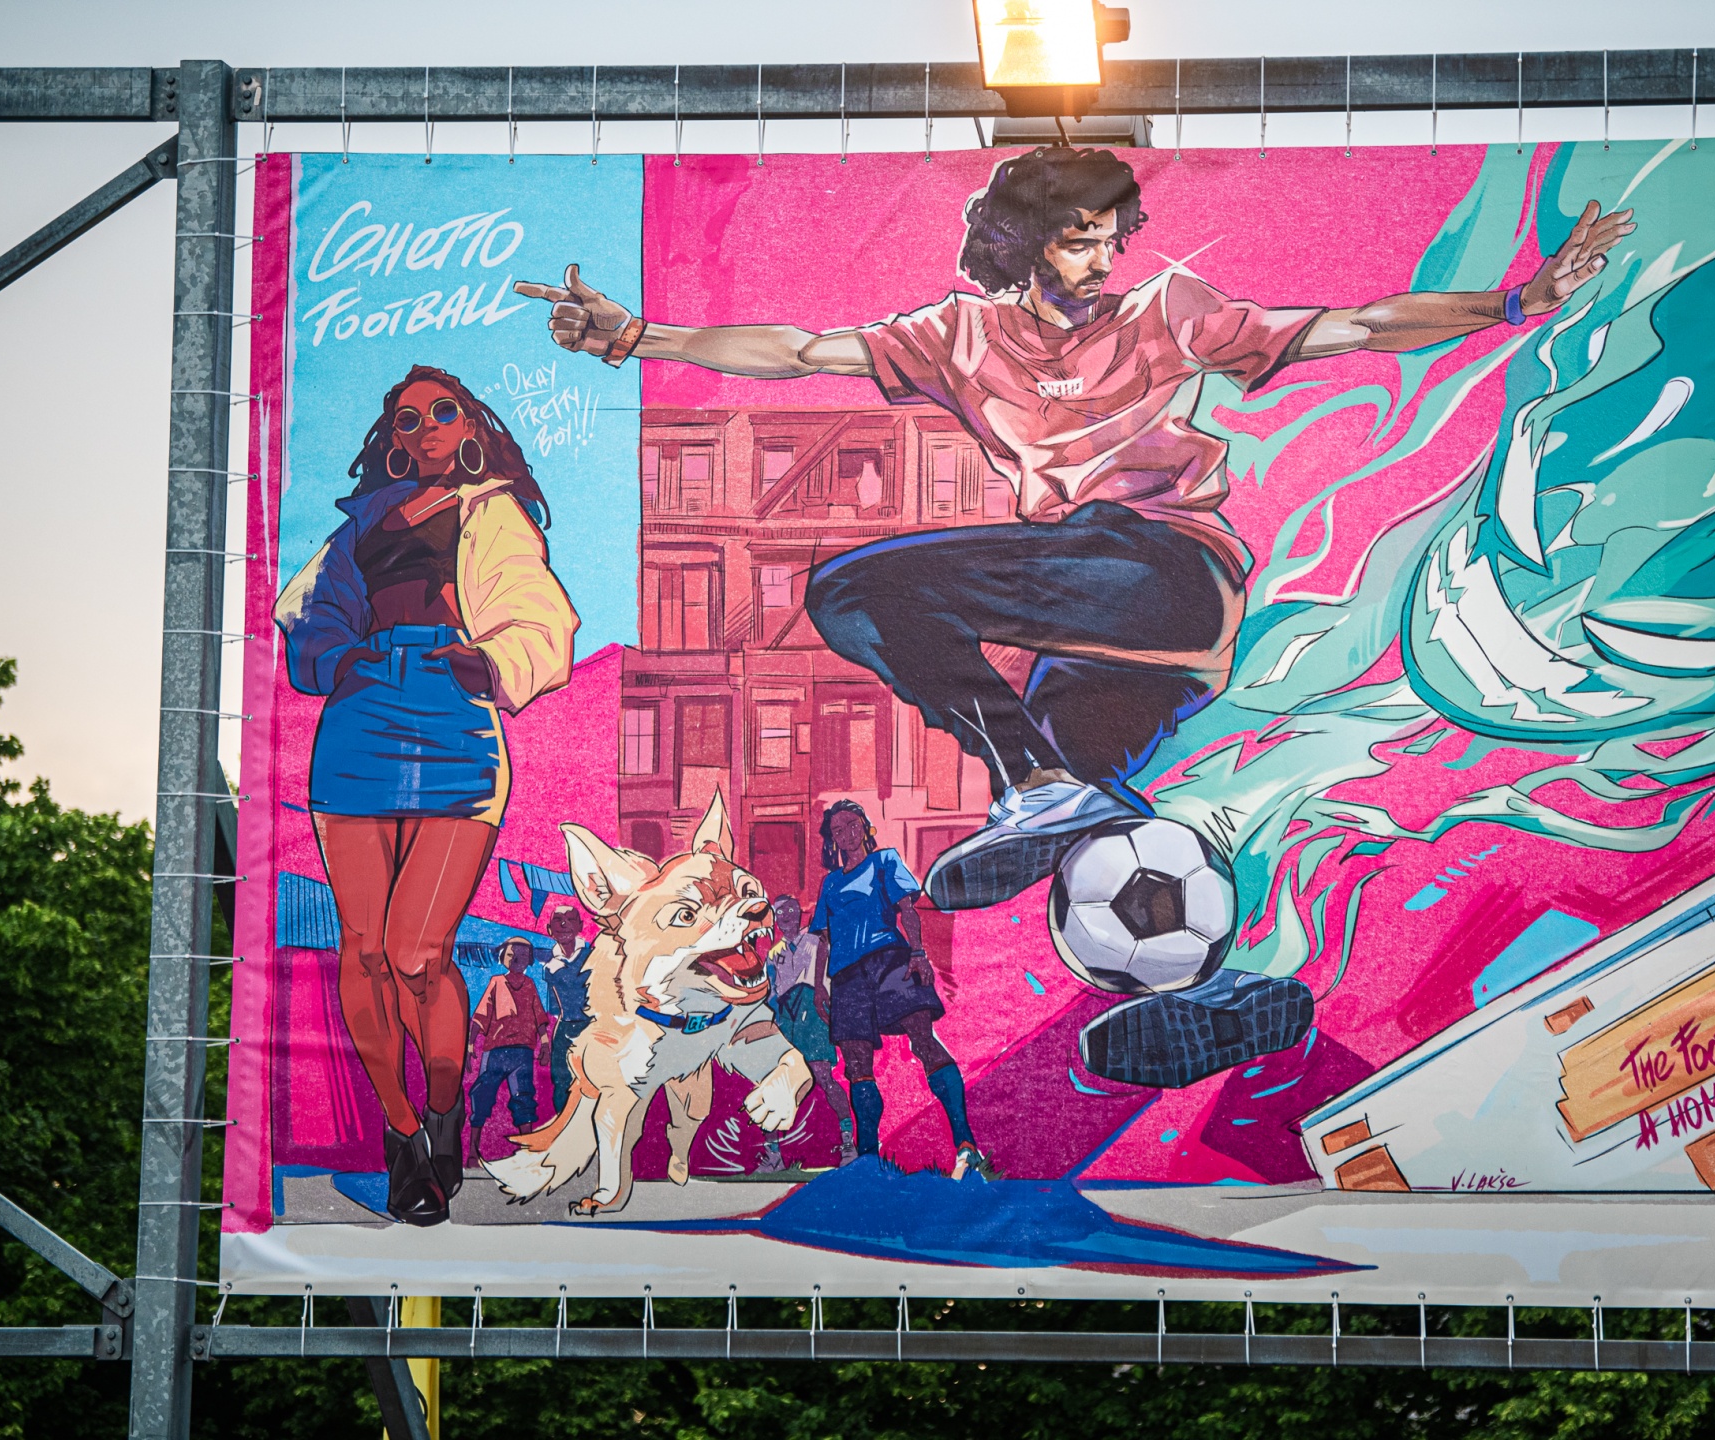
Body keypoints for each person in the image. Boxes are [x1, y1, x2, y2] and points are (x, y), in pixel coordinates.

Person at [514, 147, 1632, 1088]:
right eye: (1079, 242)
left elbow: (1352, 326)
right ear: (1022, 245)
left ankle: (1038, 784)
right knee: (1102, 846)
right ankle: (1220, 985)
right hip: (1118, 642)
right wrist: (640, 338)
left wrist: (1519, 302)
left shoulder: (1166, 313)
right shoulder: (960, 336)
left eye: (1110, 240)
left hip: (1162, 570)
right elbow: (802, 353)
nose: (1103, 263)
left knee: (857, 591)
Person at [276, 363, 579, 1224]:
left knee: (417, 953)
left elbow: (540, 613)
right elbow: (309, 610)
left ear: (470, 424)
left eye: (443, 412)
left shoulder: (493, 510)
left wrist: (492, 660)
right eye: (408, 420)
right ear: (395, 441)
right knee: (365, 951)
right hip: (361, 715)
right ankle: (404, 1135)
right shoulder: (363, 522)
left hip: (453, 716)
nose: (427, 427)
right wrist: (338, 654)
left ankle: (444, 1108)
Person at [809, 802, 993, 1179]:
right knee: (856, 1064)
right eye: (838, 830)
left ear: (865, 827)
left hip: (890, 961)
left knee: (923, 1040)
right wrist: (818, 986)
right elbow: (824, 940)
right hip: (846, 977)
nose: (846, 834)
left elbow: (908, 909)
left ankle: (966, 1144)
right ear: (832, 840)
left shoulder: (885, 861)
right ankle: (867, 1158)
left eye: (852, 825)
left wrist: (918, 953)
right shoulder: (830, 884)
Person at [762, 894, 856, 1166]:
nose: (786, 916)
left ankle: (848, 1142)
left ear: (800, 912)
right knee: (776, 1082)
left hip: (812, 1013)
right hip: (785, 1016)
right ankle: (773, 1154)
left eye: (791, 910)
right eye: (780, 912)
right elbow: (771, 992)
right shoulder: (773, 954)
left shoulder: (816, 942)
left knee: (823, 1076)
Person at [468, 938, 553, 1162]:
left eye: (523, 956)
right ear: (502, 957)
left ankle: (527, 1153)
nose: (516, 959)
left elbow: (539, 1017)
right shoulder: (496, 982)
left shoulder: (530, 985)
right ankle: (473, 1153)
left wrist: (545, 1043)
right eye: (511, 955)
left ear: (530, 960)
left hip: (522, 1053)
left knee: (524, 1100)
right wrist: (470, 1044)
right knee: (482, 1097)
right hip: (495, 1051)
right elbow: (481, 1015)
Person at [541, 905, 593, 1106]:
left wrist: (561, 972)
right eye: (558, 920)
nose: (564, 924)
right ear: (549, 929)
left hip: (592, 1026)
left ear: (580, 926)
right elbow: (555, 1006)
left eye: (570, 919)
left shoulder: (592, 955)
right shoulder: (550, 965)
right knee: (561, 1080)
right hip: (565, 1026)